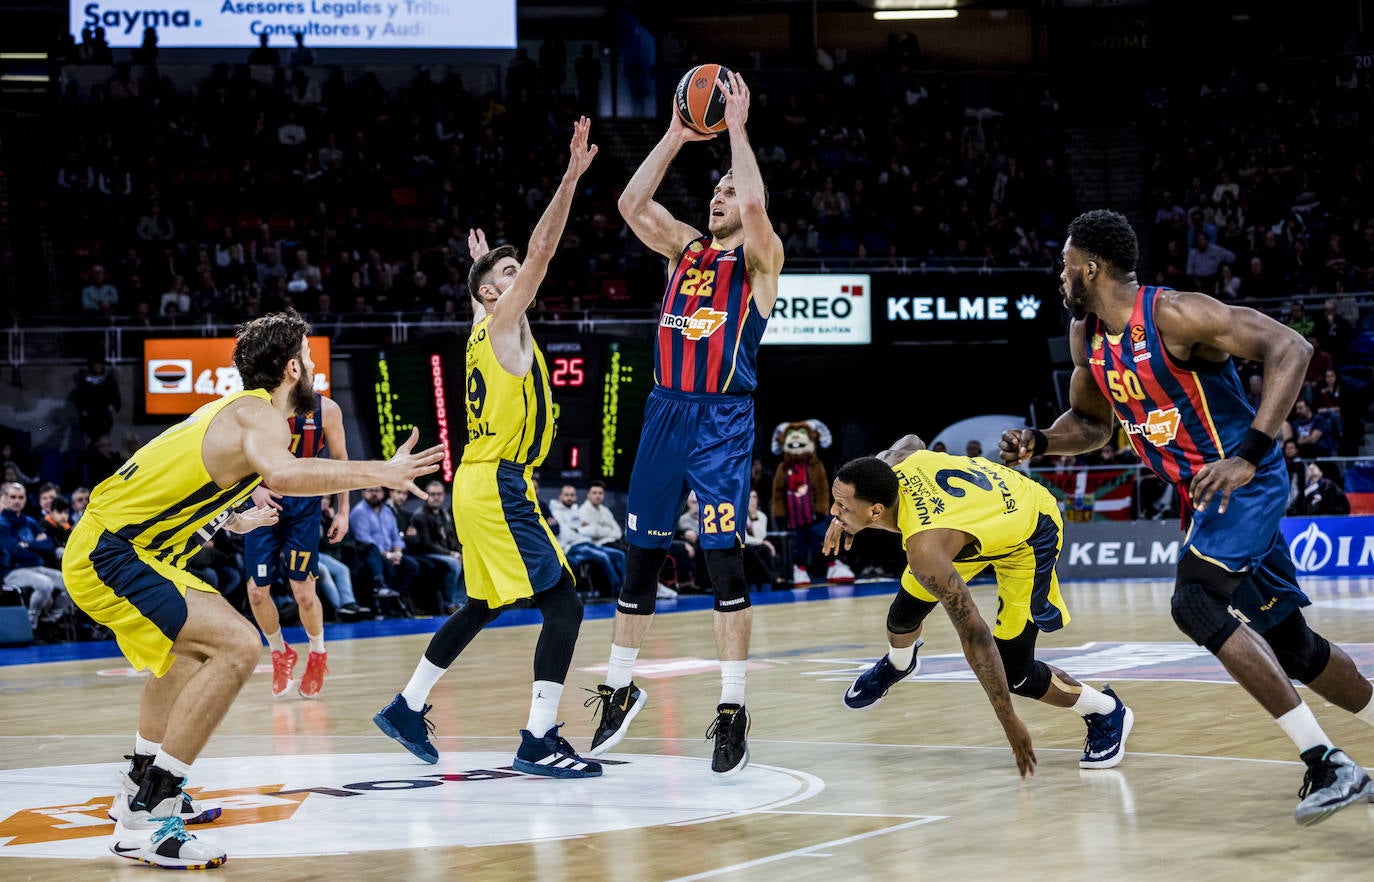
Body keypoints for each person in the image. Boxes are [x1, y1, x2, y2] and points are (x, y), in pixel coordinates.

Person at [999, 208, 1374, 826]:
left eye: (1064, 265)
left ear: (1089, 267)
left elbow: (1291, 346)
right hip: (1205, 498)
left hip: (1244, 486)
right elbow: (1093, 425)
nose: (1058, 276)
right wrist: (1041, 442)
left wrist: (1250, 454)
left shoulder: (1175, 314)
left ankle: (1327, 763)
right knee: (1297, 648)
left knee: (1193, 601)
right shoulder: (1086, 338)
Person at [61, 310, 443, 869]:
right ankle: (158, 815)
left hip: (121, 547)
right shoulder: (263, 418)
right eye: (309, 358)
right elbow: (286, 475)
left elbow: (172, 489)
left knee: (186, 658)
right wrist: (379, 472)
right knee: (238, 645)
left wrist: (231, 519)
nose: (313, 366)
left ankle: (136, 801)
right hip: (114, 552)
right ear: (292, 368)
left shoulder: (229, 413)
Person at [373, 117, 602, 779]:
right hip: (498, 481)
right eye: (505, 272)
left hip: (480, 480)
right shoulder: (501, 321)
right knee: (564, 602)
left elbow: (492, 281)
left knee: (485, 602)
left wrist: (477, 260)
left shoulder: (487, 324)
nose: (520, 273)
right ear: (492, 294)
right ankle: (538, 739)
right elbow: (543, 251)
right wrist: (570, 177)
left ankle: (406, 706)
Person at [587, 72, 784, 778]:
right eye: (717, 191)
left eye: (727, 190)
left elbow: (757, 201)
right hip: (666, 410)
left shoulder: (761, 259)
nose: (719, 196)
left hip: (722, 419)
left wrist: (735, 127)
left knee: (723, 558)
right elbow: (630, 202)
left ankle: (732, 706)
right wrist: (676, 131)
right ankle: (618, 687)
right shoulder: (684, 249)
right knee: (640, 558)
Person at [823, 436, 1132, 779]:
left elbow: (974, 634)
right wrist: (845, 519)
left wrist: (1009, 719)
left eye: (841, 507)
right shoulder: (892, 462)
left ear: (876, 511)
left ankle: (1106, 710)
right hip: (975, 522)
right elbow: (912, 440)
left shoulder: (925, 549)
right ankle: (899, 664)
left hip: (1029, 532)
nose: (832, 512)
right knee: (903, 614)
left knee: (1018, 673)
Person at [243, 391, 351, 700]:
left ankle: (317, 654)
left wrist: (343, 512)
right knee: (256, 592)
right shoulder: (257, 406)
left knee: (304, 593)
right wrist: (253, 492)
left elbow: (341, 461)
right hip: (265, 501)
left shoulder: (326, 409)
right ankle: (280, 652)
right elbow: (240, 455)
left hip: (305, 504)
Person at [0, 482, 74, 634]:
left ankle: (50, 620)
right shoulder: (2, 524)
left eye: (20, 497)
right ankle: (31, 625)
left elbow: (48, 546)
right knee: (45, 584)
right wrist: (34, 545)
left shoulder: (30, 521)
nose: (16, 501)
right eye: (12, 497)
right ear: (4, 499)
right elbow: (14, 551)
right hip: (12, 571)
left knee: (71, 584)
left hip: (36, 568)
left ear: (26, 499)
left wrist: (27, 545)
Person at [550, 483, 625, 596]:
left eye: (572, 495)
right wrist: (582, 529)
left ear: (575, 497)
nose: (569, 497)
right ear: (560, 497)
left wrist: (577, 530)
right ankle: (617, 591)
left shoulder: (576, 510)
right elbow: (567, 536)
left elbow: (592, 530)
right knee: (603, 557)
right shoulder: (556, 513)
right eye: (566, 495)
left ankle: (627, 588)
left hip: (587, 543)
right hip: (572, 548)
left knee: (619, 554)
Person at [405, 480, 466, 615]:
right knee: (455, 563)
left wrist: (458, 551)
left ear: (444, 495)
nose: (436, 497)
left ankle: (462, 601)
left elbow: (450, 538)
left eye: (439, 494)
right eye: (432, 494)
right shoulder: (419, 516)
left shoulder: (444, 514)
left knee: (467, 559)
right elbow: (427, 544)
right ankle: (450, 603)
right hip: (425, 554)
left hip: (442, 552)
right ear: (426, 495)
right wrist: (452, 553)